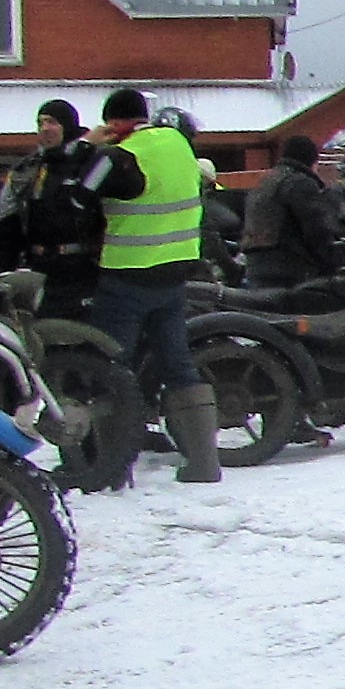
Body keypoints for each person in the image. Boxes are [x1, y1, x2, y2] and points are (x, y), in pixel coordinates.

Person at [72, 88, 220, 481]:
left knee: (112, 367)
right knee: (178, 364)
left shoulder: (120, 154)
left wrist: (87, 145)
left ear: (116, 123)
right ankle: (205, 463)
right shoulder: (177, 143)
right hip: (175, 272)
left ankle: (111, 466)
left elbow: (81, 190)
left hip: (128, 274)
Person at [0, 99, 108, 315]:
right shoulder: (27, 170)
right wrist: (0, 270)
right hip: (40, 268)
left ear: (68, 125)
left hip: (85, 269)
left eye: (52, 122)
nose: (45, 129)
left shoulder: (92, 161)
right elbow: (8, 224)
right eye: (41, 123)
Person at [238, 134, 345, 291]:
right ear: (311, 160)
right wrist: (334, 259)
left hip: (256, 266)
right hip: (288, 267)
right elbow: (316, 229)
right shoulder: (300, 183)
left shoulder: (267, 180)